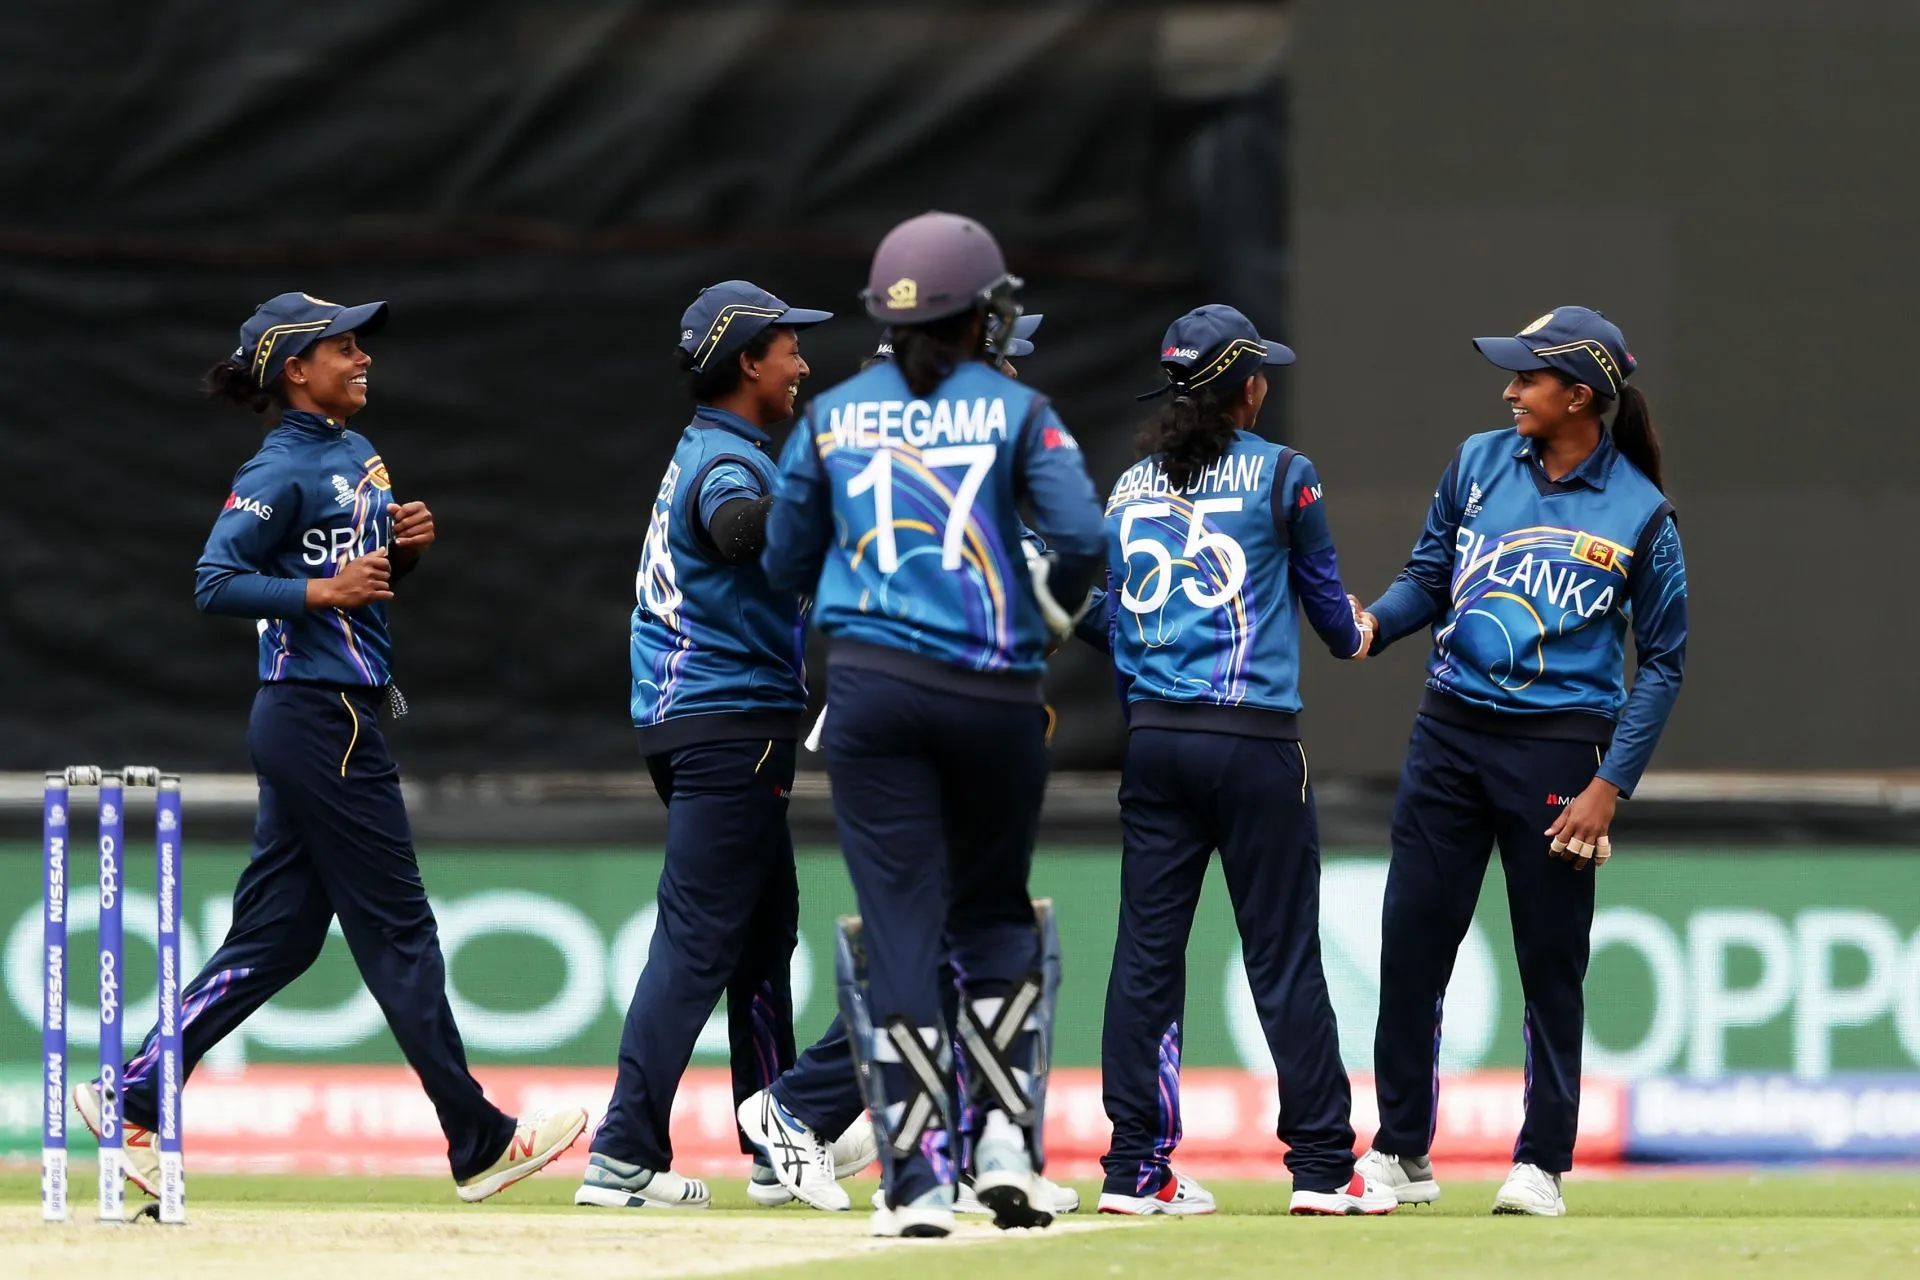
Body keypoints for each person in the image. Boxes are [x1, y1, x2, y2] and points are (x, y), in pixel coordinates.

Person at [71, 292, 587, 1203]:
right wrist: (323, 593)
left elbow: (355, 582)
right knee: (400, 932)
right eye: (343, 347)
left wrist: (401, 554)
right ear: (296, 370)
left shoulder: (358, 454)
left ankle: (133, 1093)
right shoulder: (278, 467)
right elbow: (215, 579)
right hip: (320, 719)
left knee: (277, 940)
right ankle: (479, 1141)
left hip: (327, 715)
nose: (363, 358)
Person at [762, 211, 1104, 1238]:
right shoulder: (1018, 408)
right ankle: (1001, 1140)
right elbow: (1082, 537)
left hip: (873, 692)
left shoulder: (832, 416)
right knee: (992, 913)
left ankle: (916, 1177)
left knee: (903, 924)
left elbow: (782, 561)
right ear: (981, 316)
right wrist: (1047, 613)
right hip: (993, 690)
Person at [1350, 307, 1688, 1217]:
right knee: (1412, 947)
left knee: (1550, 963)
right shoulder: (1476, 462)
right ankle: (1401, 1151)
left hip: (1558, 752)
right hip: (1447, 736)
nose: (1508, 392)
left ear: (1578, 396)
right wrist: (1376, 623)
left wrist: (1607, 787)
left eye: (1526, 378)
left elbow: (1662, 663)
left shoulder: (1643, 513)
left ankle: (1541, 1163)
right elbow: (1429, 576)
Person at [1074, 305, 1397, 1218]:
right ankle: (1322, 1168)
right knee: (1284, 957)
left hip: (1155, 746)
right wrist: (1365, 631)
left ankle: (1134, 1170)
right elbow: (1333, 623)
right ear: (1249, 389)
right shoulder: (1286, 474)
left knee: (1145, 957)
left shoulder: (1130, 487)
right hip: (1253, 744)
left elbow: (1112, 622)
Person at [575, 281, 845, 1211]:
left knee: (762, 939)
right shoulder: (729, 461)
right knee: (698, 941)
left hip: (709, 722)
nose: (801, 362)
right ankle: (623, 1152)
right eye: (788, 346)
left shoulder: (717, 446)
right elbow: (736, 530)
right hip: (729, 725)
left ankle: (776, 1143)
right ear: (747, 361)